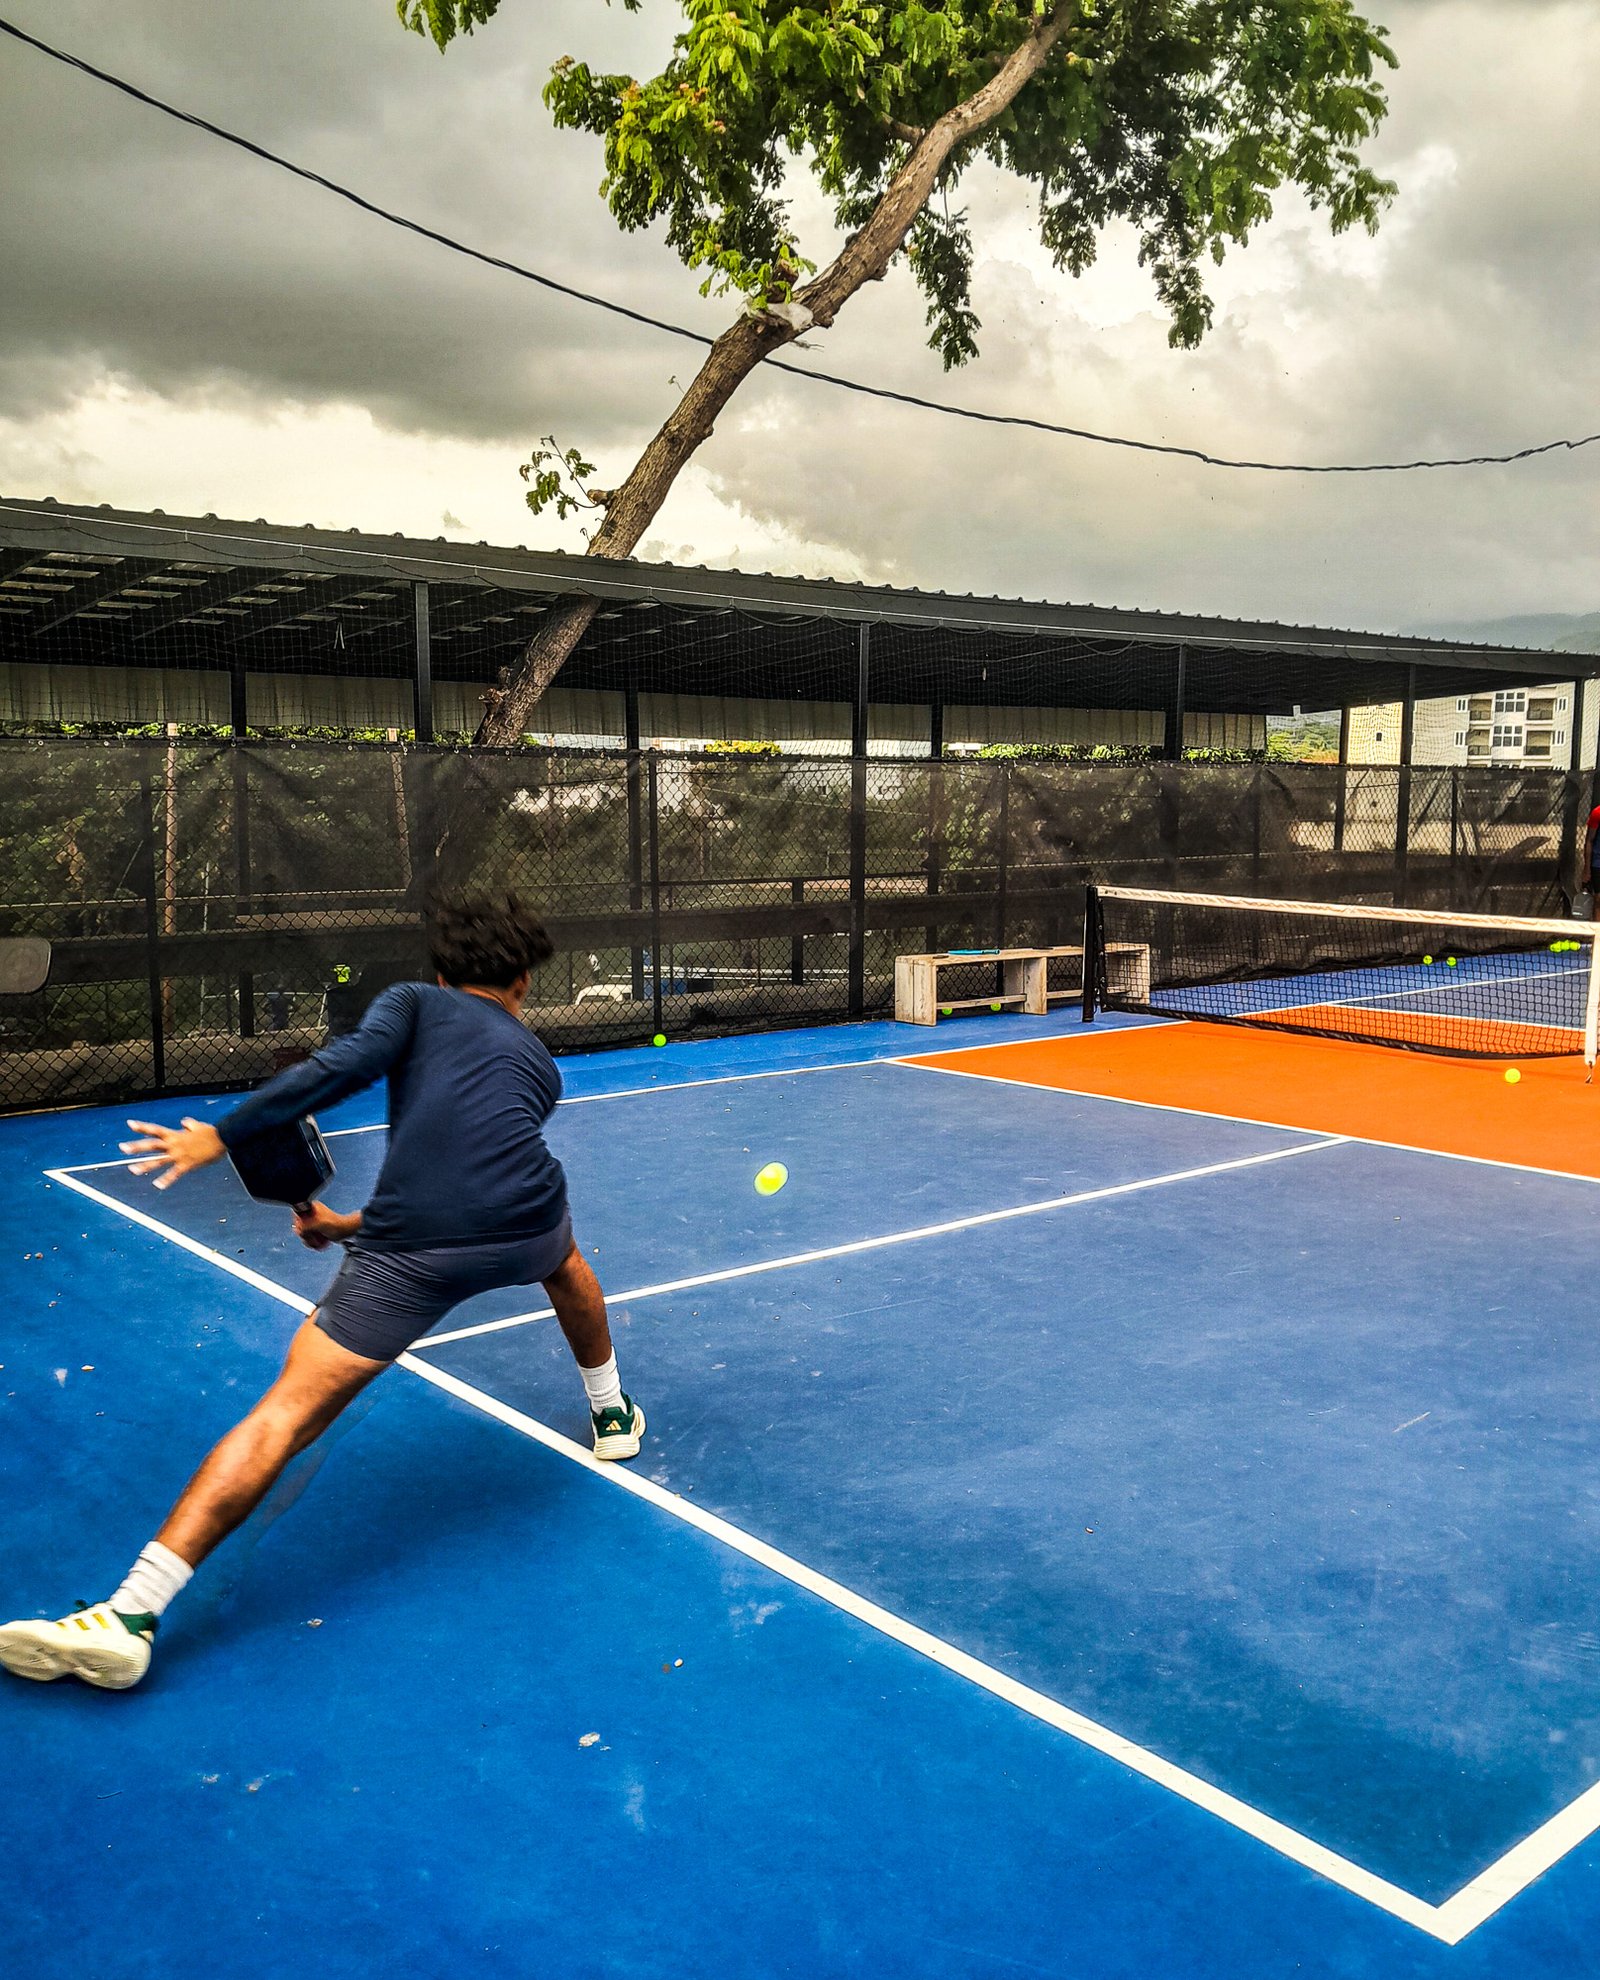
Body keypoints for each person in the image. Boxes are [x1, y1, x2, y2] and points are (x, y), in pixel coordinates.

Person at [0, 894, 644, 1692]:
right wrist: (344, 1226)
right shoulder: (538, 1064)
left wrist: (220, 1134)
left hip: (413, 1254)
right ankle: (612, 1411)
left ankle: (131, 1615)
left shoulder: (414, 1001)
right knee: (567, 1268)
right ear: (523, 981)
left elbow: (335, 1071)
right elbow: (473, 1168)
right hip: (525, 1225)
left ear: (442, 972)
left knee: (283, 1416)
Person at [1580, 800, 1600, 916]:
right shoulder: (1597, 812)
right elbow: (1589, 841)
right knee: (1598, 899)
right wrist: (1587, 870)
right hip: (1598, 863)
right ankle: (1597, 932)